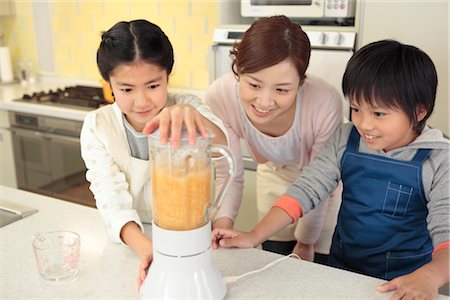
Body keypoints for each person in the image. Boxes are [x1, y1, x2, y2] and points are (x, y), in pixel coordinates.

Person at [212, 39, 450, 299]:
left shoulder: (440, 159)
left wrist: (430, 276)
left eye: (378, 114)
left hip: (407, 281)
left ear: (419, 112)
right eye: (356, 109)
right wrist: (254, 235)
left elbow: (446, 230)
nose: (363, 124)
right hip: (344, 268)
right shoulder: (345, 137)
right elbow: (307, 189)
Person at [80, 19, 227, 287]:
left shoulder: (188, 108)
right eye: (126, 89)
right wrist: (148, 249)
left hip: (193, 239)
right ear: (109, 84)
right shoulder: (99, 126)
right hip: (133, 240)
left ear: (167, 77)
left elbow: (223, 146)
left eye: (153, 86)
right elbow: (110, 198)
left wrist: (194, 117)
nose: (141, 101)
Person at [205, 15, 344, 262]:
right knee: (274, 256)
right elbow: (229, 171)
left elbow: (319, 182)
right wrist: (222, 226)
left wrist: (306, 241)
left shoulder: (325, 102)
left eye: (282, 90)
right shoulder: (220, 96)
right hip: (274, 172)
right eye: (254, 85)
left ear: (301, 82)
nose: (265, 102)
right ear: (238, 70)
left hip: (324, 186)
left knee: (317, 265)